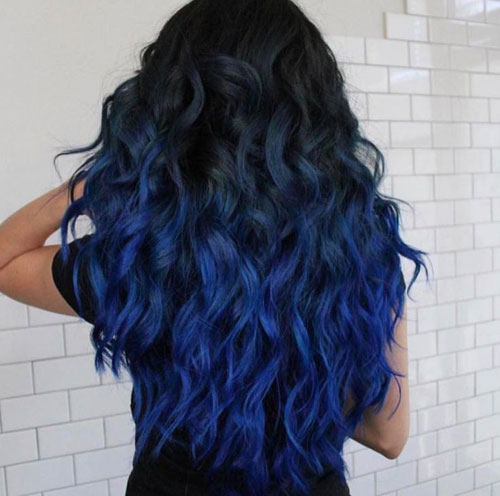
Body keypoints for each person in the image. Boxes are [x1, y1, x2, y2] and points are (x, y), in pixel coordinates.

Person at [0, 0, 430, 494]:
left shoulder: (144, 254)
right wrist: (299, 390)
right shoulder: (361, 250)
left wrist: (102, 177)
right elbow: (388, 436)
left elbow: (7, 257)